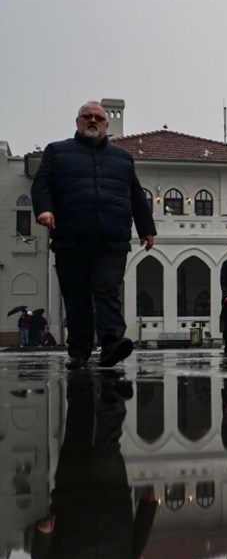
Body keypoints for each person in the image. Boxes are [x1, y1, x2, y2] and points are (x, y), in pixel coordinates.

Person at [28, 373, 158, 559]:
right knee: (109, 441)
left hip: (72, 495)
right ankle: (112, 388)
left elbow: (40, 557)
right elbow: (137, 543)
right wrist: (148, 507)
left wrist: (44, 534)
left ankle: (81, 383)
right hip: (113, 495)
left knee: (77, 430)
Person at [30, 101, 156, 369]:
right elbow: (41, 184)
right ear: (77, 122)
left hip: (111, 239)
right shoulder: (57, 152)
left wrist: (146, 228)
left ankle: (112, 343)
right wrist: (44, 210)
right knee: (76, 296)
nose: (92, 121)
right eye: (86, 117)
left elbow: (135, 193)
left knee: (107, 289)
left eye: (98, 117)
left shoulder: (122, 158)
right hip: (70, 239)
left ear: (106, 125)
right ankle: (79, 350)